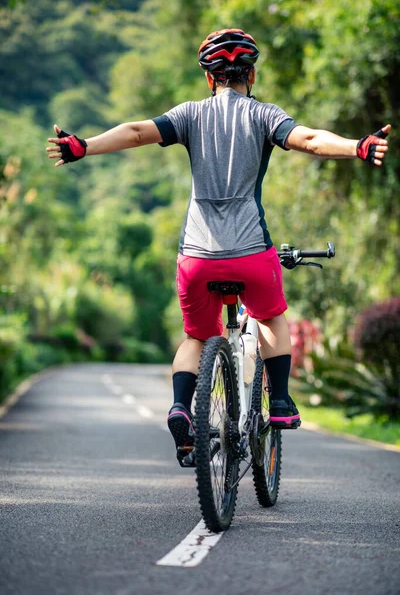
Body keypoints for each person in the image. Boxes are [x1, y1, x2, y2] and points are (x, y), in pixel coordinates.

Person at [47, 28, 390, 465]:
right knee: (270, 318)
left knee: (195, 337)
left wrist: (84, 146)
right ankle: (281, 404)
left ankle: (179, 408)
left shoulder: (190, 114)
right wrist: (357, 147)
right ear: (251, 75)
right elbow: (310, 140)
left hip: (197, 257)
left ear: (210, 79)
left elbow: (135, 132)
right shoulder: (264, 115)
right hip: (250, 251)